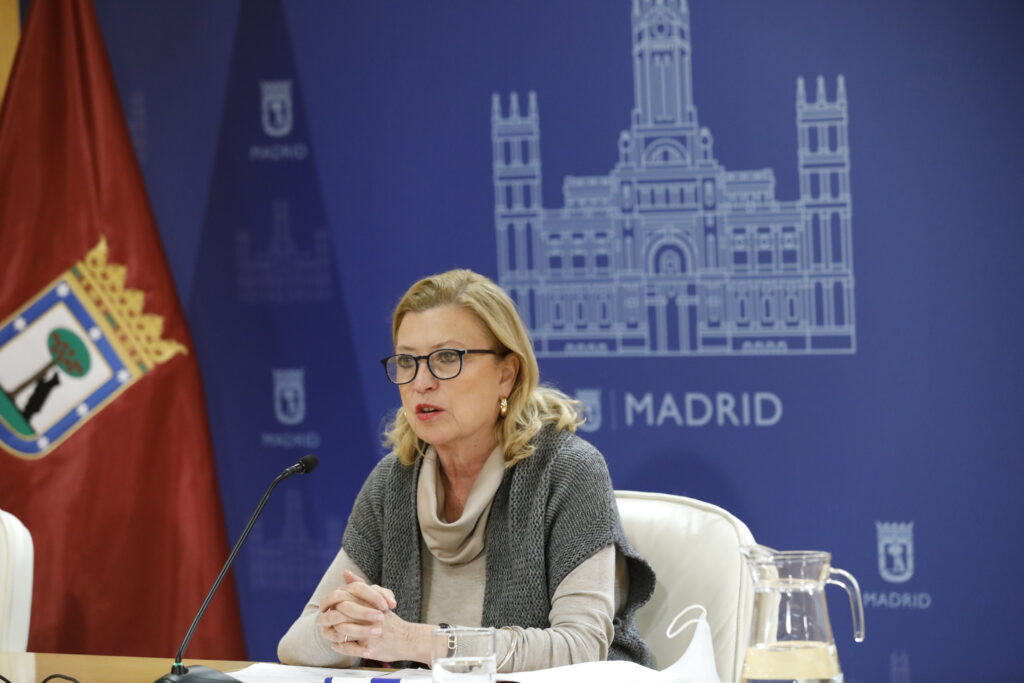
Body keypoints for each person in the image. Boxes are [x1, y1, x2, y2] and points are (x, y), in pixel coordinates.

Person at [277, 269, 655, 672]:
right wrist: (341, 625)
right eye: (407, 361)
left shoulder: (565, 472)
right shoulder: (394, 482)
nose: (421, 382)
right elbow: (295, 647)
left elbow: (581, 648)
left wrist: (416, 640)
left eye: (446, 358)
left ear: (506, 374)